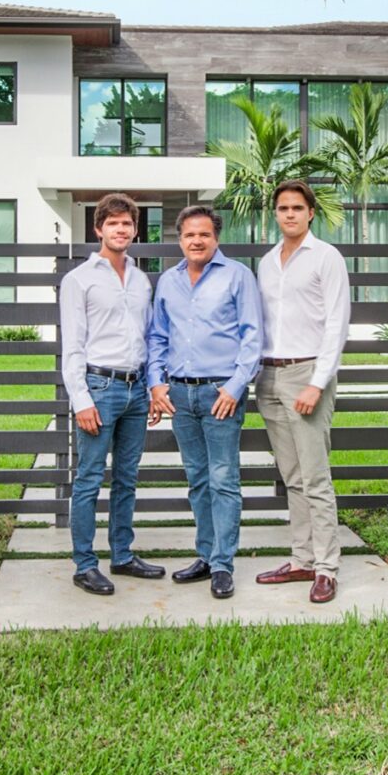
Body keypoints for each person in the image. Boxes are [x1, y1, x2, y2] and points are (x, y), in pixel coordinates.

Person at [147, 203, 264, 598]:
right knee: (197, 479)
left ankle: (223, 564)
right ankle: (206, 555)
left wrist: (235, 387)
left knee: (223, 479)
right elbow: (157, 336)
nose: (196, 241)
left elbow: (252, 336)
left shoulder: (238, 276)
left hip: (220, 394)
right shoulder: (169, 281)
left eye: (204, 234)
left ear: (216, 238)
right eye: (189, 235)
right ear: (179, 239)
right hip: (180, 394)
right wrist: (156, 384)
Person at [57, 193, 164, 596]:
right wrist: (81, 400)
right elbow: (72, 346)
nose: (121, 229)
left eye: (127, 223)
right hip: (99, 389)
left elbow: (149, 337)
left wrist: (152, 388)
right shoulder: (79, 280)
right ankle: (85, 565)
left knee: (126, 478)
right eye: (113, 223)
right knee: (88, 479)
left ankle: (122, 555)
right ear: (98, 229)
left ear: (135, 230)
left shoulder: (140, 279)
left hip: (137, 390)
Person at [252, 180, 354, 604]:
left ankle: (326, 568)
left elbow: (337, 324)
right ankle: (302, 559)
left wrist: (317, 382)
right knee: (292, 477)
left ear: (311, 213)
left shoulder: (326, 257)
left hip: (307, 373)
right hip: (269, 376)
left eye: (297, 207)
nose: (289, 214)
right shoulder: (267, 262)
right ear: (275, 213)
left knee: (315, 477)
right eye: (283, 208)